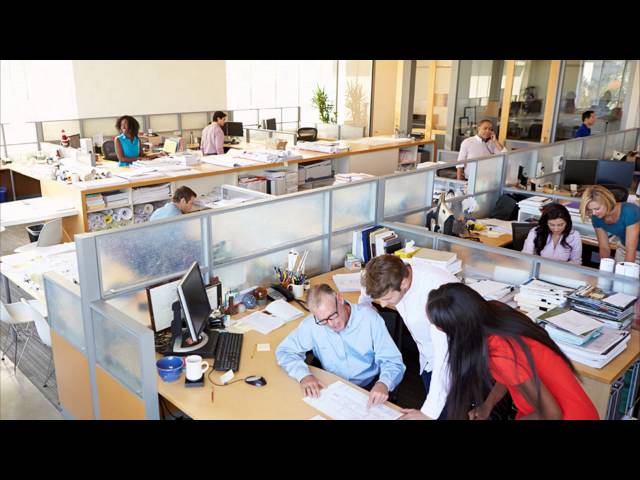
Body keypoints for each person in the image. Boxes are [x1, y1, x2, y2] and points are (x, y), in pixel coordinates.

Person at [426, 282, 599, 420]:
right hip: (559, 408)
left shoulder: (499, 352)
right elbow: (513, 373)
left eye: (439, 326)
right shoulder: (494, 312)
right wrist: (488, 404)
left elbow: (552, 414)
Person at [361, 254, 459, 420]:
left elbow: (444, 359)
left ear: (404, 283)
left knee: (446, 413)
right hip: (426, 356)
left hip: (454, 359)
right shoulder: (391, 273)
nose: (383, 304)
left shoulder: (436, 295)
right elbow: (367, 289)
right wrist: (365, 306)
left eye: (388, 298)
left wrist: (427, 413)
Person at [276, 283, 406, 407]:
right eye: (324, 321)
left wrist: (384, 383)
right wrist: (303, 375)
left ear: (340, 298)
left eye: (333, 315)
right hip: (329, 387)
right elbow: (285, 351)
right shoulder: (312, 324)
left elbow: (393, 362)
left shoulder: (369, 319)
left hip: (367, 388)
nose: (332, 324)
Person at [580, 185, 640, 267]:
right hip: (624, 249)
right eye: (590, 210)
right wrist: (604, 268)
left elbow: (631, 250)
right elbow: (604, 247)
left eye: (597, 209)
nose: (593, 213)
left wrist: (626, 270)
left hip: (632, 250)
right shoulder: (596, 218)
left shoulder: (629, 211)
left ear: (607, 202)